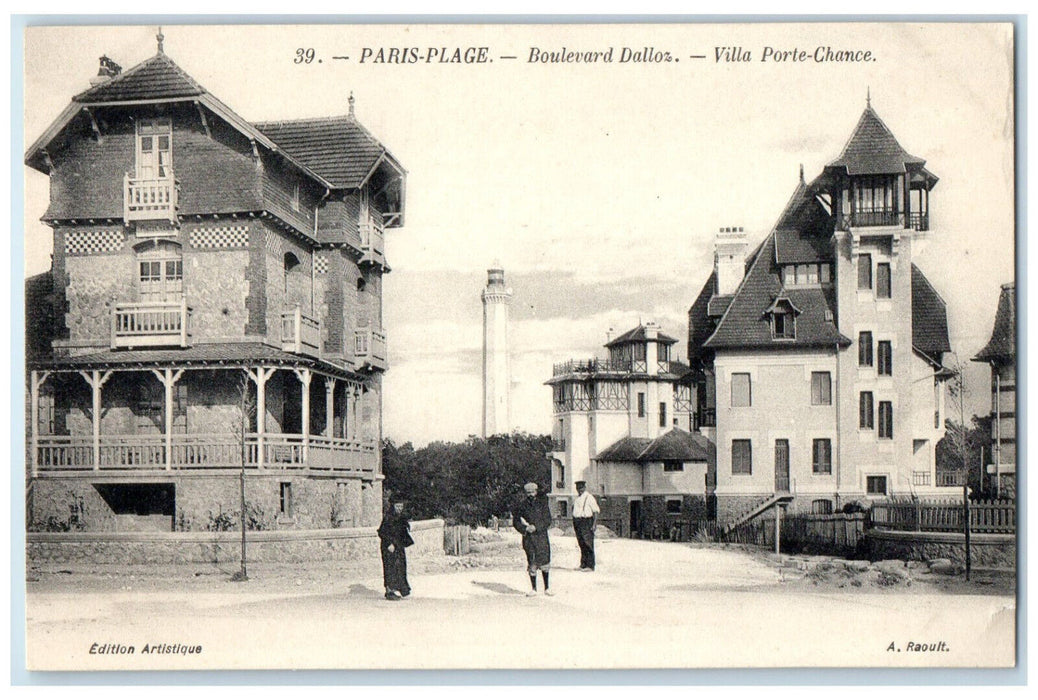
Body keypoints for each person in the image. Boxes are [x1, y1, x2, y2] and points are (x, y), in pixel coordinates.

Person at [513, 482, 553, 596]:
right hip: (529, 538)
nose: (530, 494)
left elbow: (548, 520)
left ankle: (547, 588)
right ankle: (534, 589)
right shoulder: (521, 505)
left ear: (536, 492)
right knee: (532, 561)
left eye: (532, 492)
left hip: (541, 537)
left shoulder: (542, 504)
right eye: (528, 493)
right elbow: (516, 522)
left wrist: (537, 527)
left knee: (545, 561)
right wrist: (525, 529)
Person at [378, 497, 414, 600]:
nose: (399, 508)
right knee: (390, 567)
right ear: (393, 506)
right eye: (397, 506)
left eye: (401, 506)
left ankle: (402, 588)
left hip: (398, 546)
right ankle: (389, 591)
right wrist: (389, 544)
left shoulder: (401, 517)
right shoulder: (388, 517)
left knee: (400, 567)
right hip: (388, 547)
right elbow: (382, 532)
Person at [572, 480, 600, 571]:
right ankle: (583, 564)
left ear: (584, 488)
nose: (579, 490)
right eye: (578, 488)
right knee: (581, 544)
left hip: (586, 521)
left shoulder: (589, 497)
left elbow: (595, 511)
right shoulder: (577, 499)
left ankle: (590, 566)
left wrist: (594, 524)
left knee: (588, 543)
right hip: (578, 521)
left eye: (581, 488)